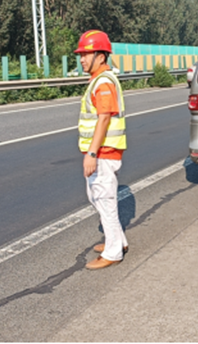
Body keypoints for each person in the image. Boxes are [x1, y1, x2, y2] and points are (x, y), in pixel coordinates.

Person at [75, 30, 128, 270]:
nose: (82, 59)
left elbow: (104, 118)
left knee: (104, 200)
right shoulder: (99, 80)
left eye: (86, 54)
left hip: (104, 152)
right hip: (102, 152)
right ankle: (118, 240)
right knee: (96, 197)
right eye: (81, 55)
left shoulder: (104, 82)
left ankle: (113, 252)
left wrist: (92, 153)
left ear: (101, 56)